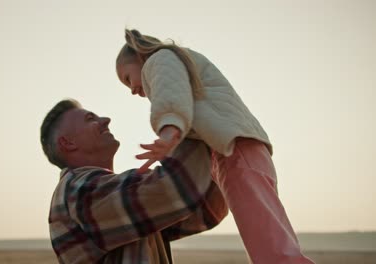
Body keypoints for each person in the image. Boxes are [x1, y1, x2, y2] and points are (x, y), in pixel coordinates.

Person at [115, 29, 314, 264]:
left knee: (273, 251)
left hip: (235, 150)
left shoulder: (159, 59)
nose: (132, 90)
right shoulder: (181, 61)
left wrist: (168, 132)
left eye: (128, 78)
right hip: (242, 148)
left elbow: (171, 96)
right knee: (272, 239)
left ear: (139, 57)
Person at [40, 99, 227, 263]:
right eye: (91, 119)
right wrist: (182, 122)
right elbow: (178, 189)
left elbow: (208, 211)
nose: (105, 120)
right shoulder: (77, 190)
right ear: (68, 143)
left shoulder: (112, 197)